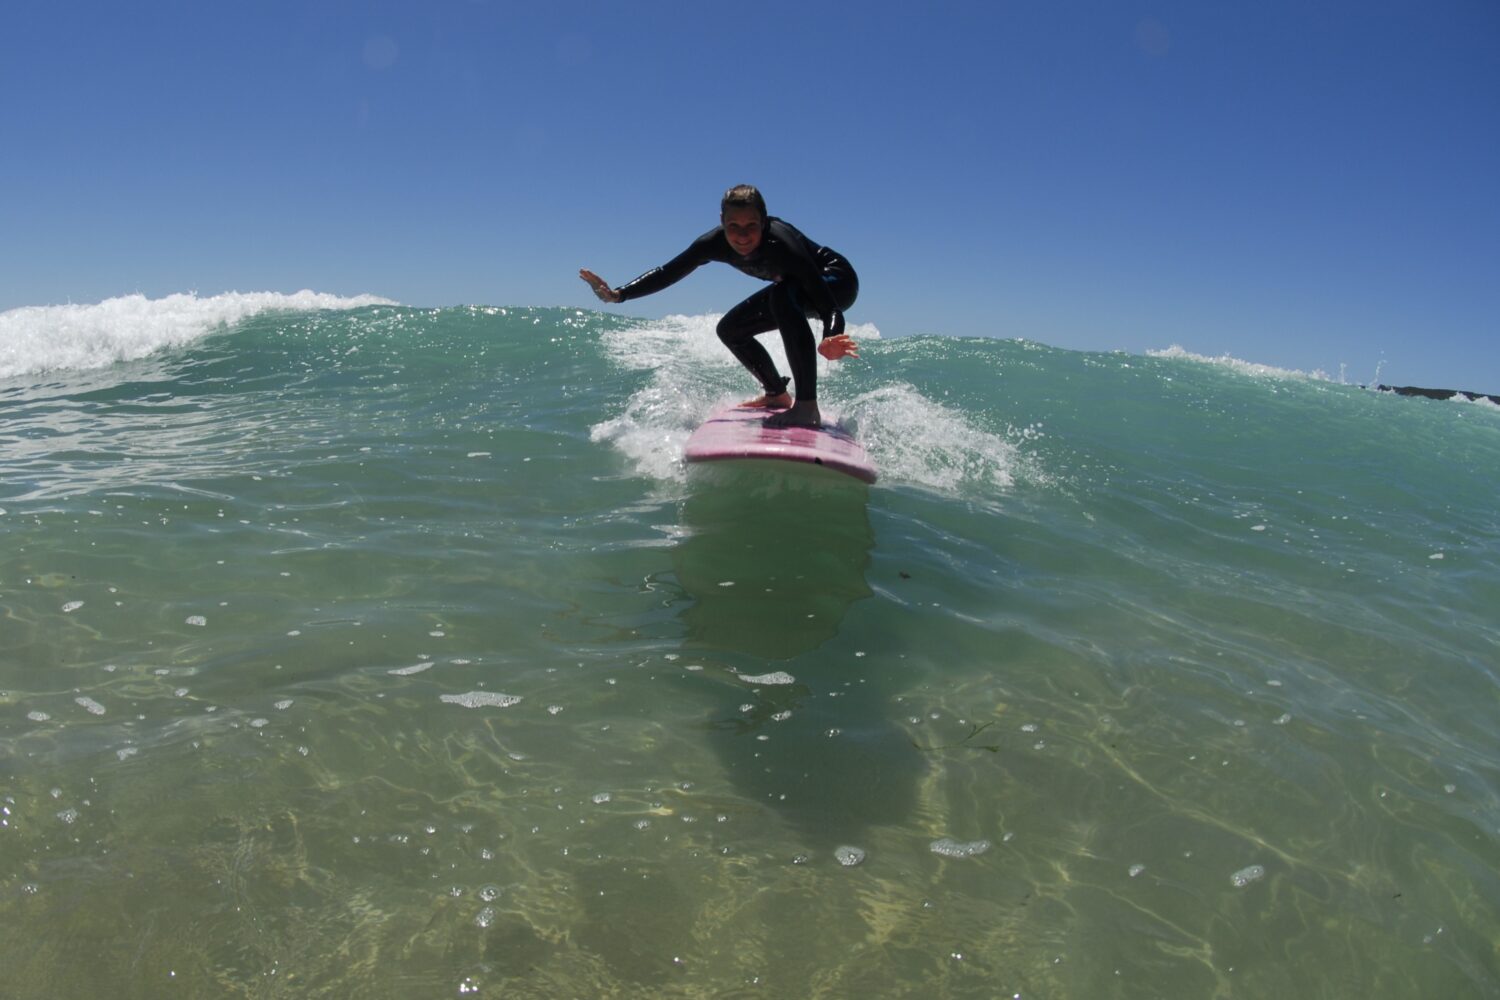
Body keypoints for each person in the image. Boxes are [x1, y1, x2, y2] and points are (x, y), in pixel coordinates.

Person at [580, 184, 859, 428]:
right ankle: (776, 394)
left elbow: (828, 306)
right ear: (722, 222)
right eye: (733, 227)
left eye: (751, 226)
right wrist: (619, 294)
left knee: (781, 296)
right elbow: (669, 272)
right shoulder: (713, 243)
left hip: (835, 281)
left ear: (763, 222)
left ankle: (807, 406)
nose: (742, 236)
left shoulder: (783, 244)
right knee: (730, 329)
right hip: (793, 290)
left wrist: (831, 337)